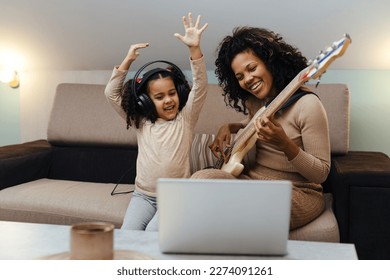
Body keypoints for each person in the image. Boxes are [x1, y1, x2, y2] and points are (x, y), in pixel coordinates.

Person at [192, 26, 331, 230]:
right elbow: (252, 127)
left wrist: (284, 144)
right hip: (253, 182)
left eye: (252, 68)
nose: (247, 79)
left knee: (251, 208)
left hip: (297, 192)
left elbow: (321, 174)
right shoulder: (255, 102)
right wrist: (228, 127)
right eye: (239, 77)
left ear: (269, 62)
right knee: (200, 180)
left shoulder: (308, 105)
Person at [105, 13, 208, 231]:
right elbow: (111, 94)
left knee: (152, 234)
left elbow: (200, 86)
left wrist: (194, 49)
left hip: (175, 195)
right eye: (159, 97)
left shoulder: (185, 119)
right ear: (146, 101)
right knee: (127, 235)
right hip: (142, 196)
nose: (168, 100)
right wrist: (128, 61)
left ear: (179, 92)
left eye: (172, 93)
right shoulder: (141, 122)